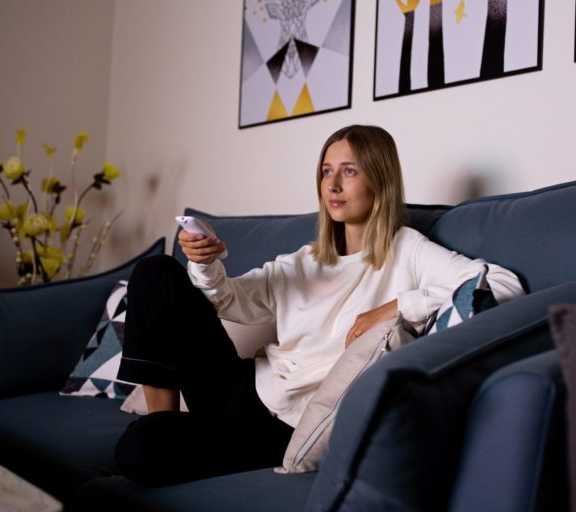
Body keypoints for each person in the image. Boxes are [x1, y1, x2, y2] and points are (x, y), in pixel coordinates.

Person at [114, 125, 524, 485]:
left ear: (380, 179)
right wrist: (204, 264)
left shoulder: (408, 250)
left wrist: (397, 306)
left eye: (349, 171)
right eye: (327, 171)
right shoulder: (307, 259)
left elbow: (502, 286)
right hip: (242, 390)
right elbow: (226, 300)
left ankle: (164, 435)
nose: (332, 185)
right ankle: (163, 420)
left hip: (285, 432)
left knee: (138, 451)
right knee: (156, 273)